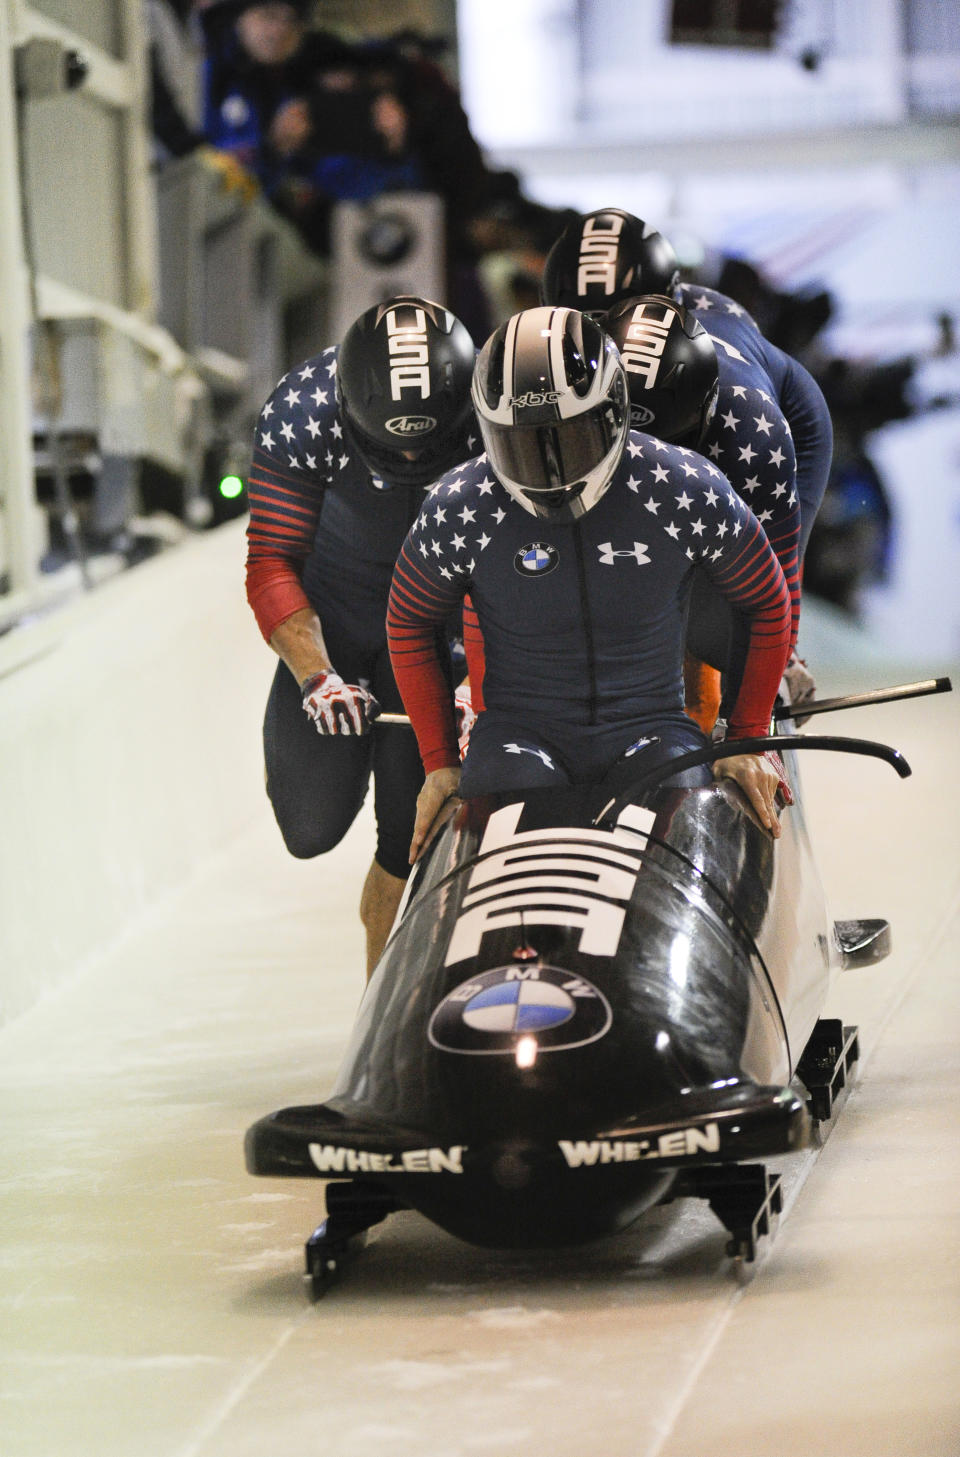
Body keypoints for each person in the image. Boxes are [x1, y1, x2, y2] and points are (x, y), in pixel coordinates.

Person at [386, 306, 794, 865]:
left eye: (569, 438)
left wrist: (748, 739)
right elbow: (409, 619)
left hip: (653, 732)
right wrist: (437, 762)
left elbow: (767, 601)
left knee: (674, 808)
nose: (549, 468)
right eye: (523, 444)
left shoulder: (682, 488)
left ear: (614, 411)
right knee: (511, 798)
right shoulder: (461, 506)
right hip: (518, 737)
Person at [245, 295, 478, 976]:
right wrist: (315, 673)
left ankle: (384, 999)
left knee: (415, 828)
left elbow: (512, 555)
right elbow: (272, 562)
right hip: (339, 622)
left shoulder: (497, 408)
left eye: (423, 445)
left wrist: (479, 684)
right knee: (308, 827)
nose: (408, 455)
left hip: (439, 625)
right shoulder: (300, 412)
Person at [541, 207, 833, 715]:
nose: (606, 335)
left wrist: (771, 661)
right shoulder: (547, 353)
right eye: (586, 328)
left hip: (749, 429)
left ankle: (781, 668)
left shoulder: (748, 424)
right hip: (655, 413)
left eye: (616, 316)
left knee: (728, 610)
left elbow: (770, 580)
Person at [601, 292, 801, 732]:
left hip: (775, 415)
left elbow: (774, 588)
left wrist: (779, 668)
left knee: (724, 635)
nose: (655, 466)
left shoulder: (754, 440)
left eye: (667, 446)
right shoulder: (574, 402)